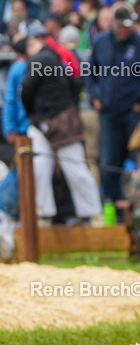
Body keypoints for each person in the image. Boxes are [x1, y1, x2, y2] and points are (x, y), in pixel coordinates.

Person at [20, 32, 102, 224]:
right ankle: (92, 214)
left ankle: (44, 216)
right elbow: (76, 85)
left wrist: (33, 114)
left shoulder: (39, 59)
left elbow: (26, 90)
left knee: (49, 168)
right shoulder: (59, 57)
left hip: (52, 121)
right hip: (60, 118)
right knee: (68, 168)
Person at [87, 2, 140, 202]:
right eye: (120, 26)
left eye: (127, 26)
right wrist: (95, 97)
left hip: (133, 112)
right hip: (108, 112)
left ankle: (137, 205)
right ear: (113, 24)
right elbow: (90, 74)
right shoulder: (100, 42)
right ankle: (112, 207)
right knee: (109, 162)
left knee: (136, 160)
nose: (123, 30)